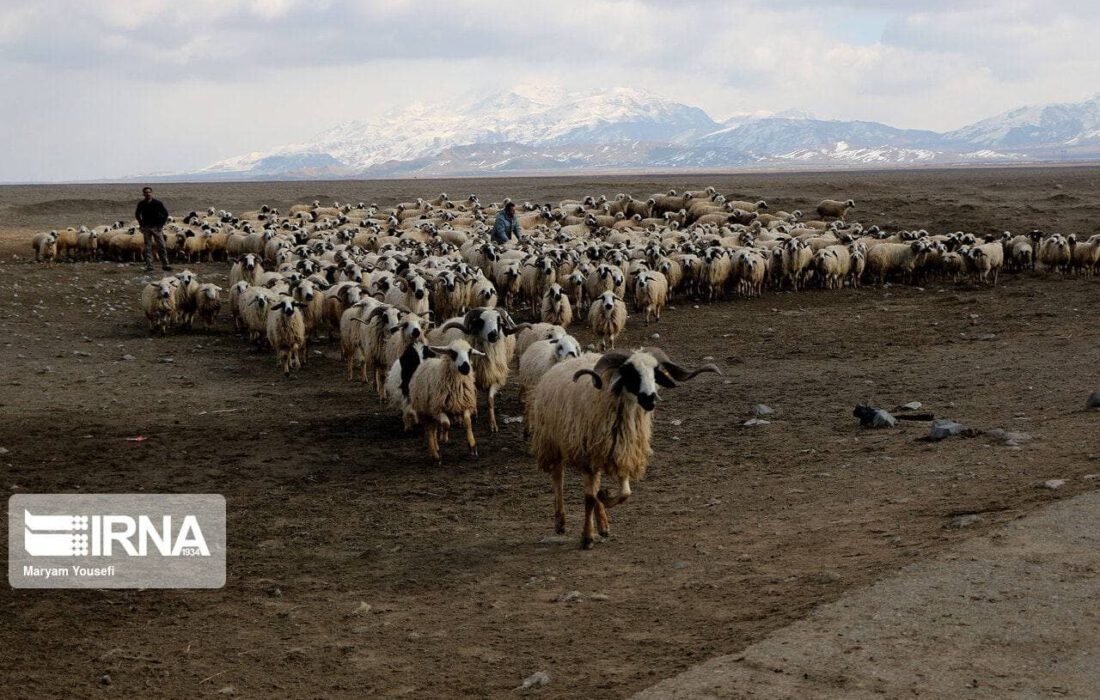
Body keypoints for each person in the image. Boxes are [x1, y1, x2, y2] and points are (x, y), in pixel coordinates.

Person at [135, 186, 171, 272]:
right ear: (143, 194)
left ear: (152, 193)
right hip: (146, 227)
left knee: (161, 245)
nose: (148, 194)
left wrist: (161, 225)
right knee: (148, 247)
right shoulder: (141, 204)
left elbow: (165, 214)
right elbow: (137, 214)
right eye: (146, 192)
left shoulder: (157, 203)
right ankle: (149, 265)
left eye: (149, 192)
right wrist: (141, 224)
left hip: (156, 227)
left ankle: (165, 264)